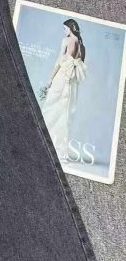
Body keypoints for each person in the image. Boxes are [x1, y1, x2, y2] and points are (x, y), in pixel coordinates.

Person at [42, 18, 87, 159]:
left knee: (50, 107)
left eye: (65, 28)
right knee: (65, 113)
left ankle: (41, 141)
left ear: (70, 28)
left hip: (61, 78)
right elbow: (80, 64)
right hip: (72, 82)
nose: (64, 31)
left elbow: (58, 61)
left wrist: (50, 78)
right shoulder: (82, 45)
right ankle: (60, 150)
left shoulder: (66, 41)